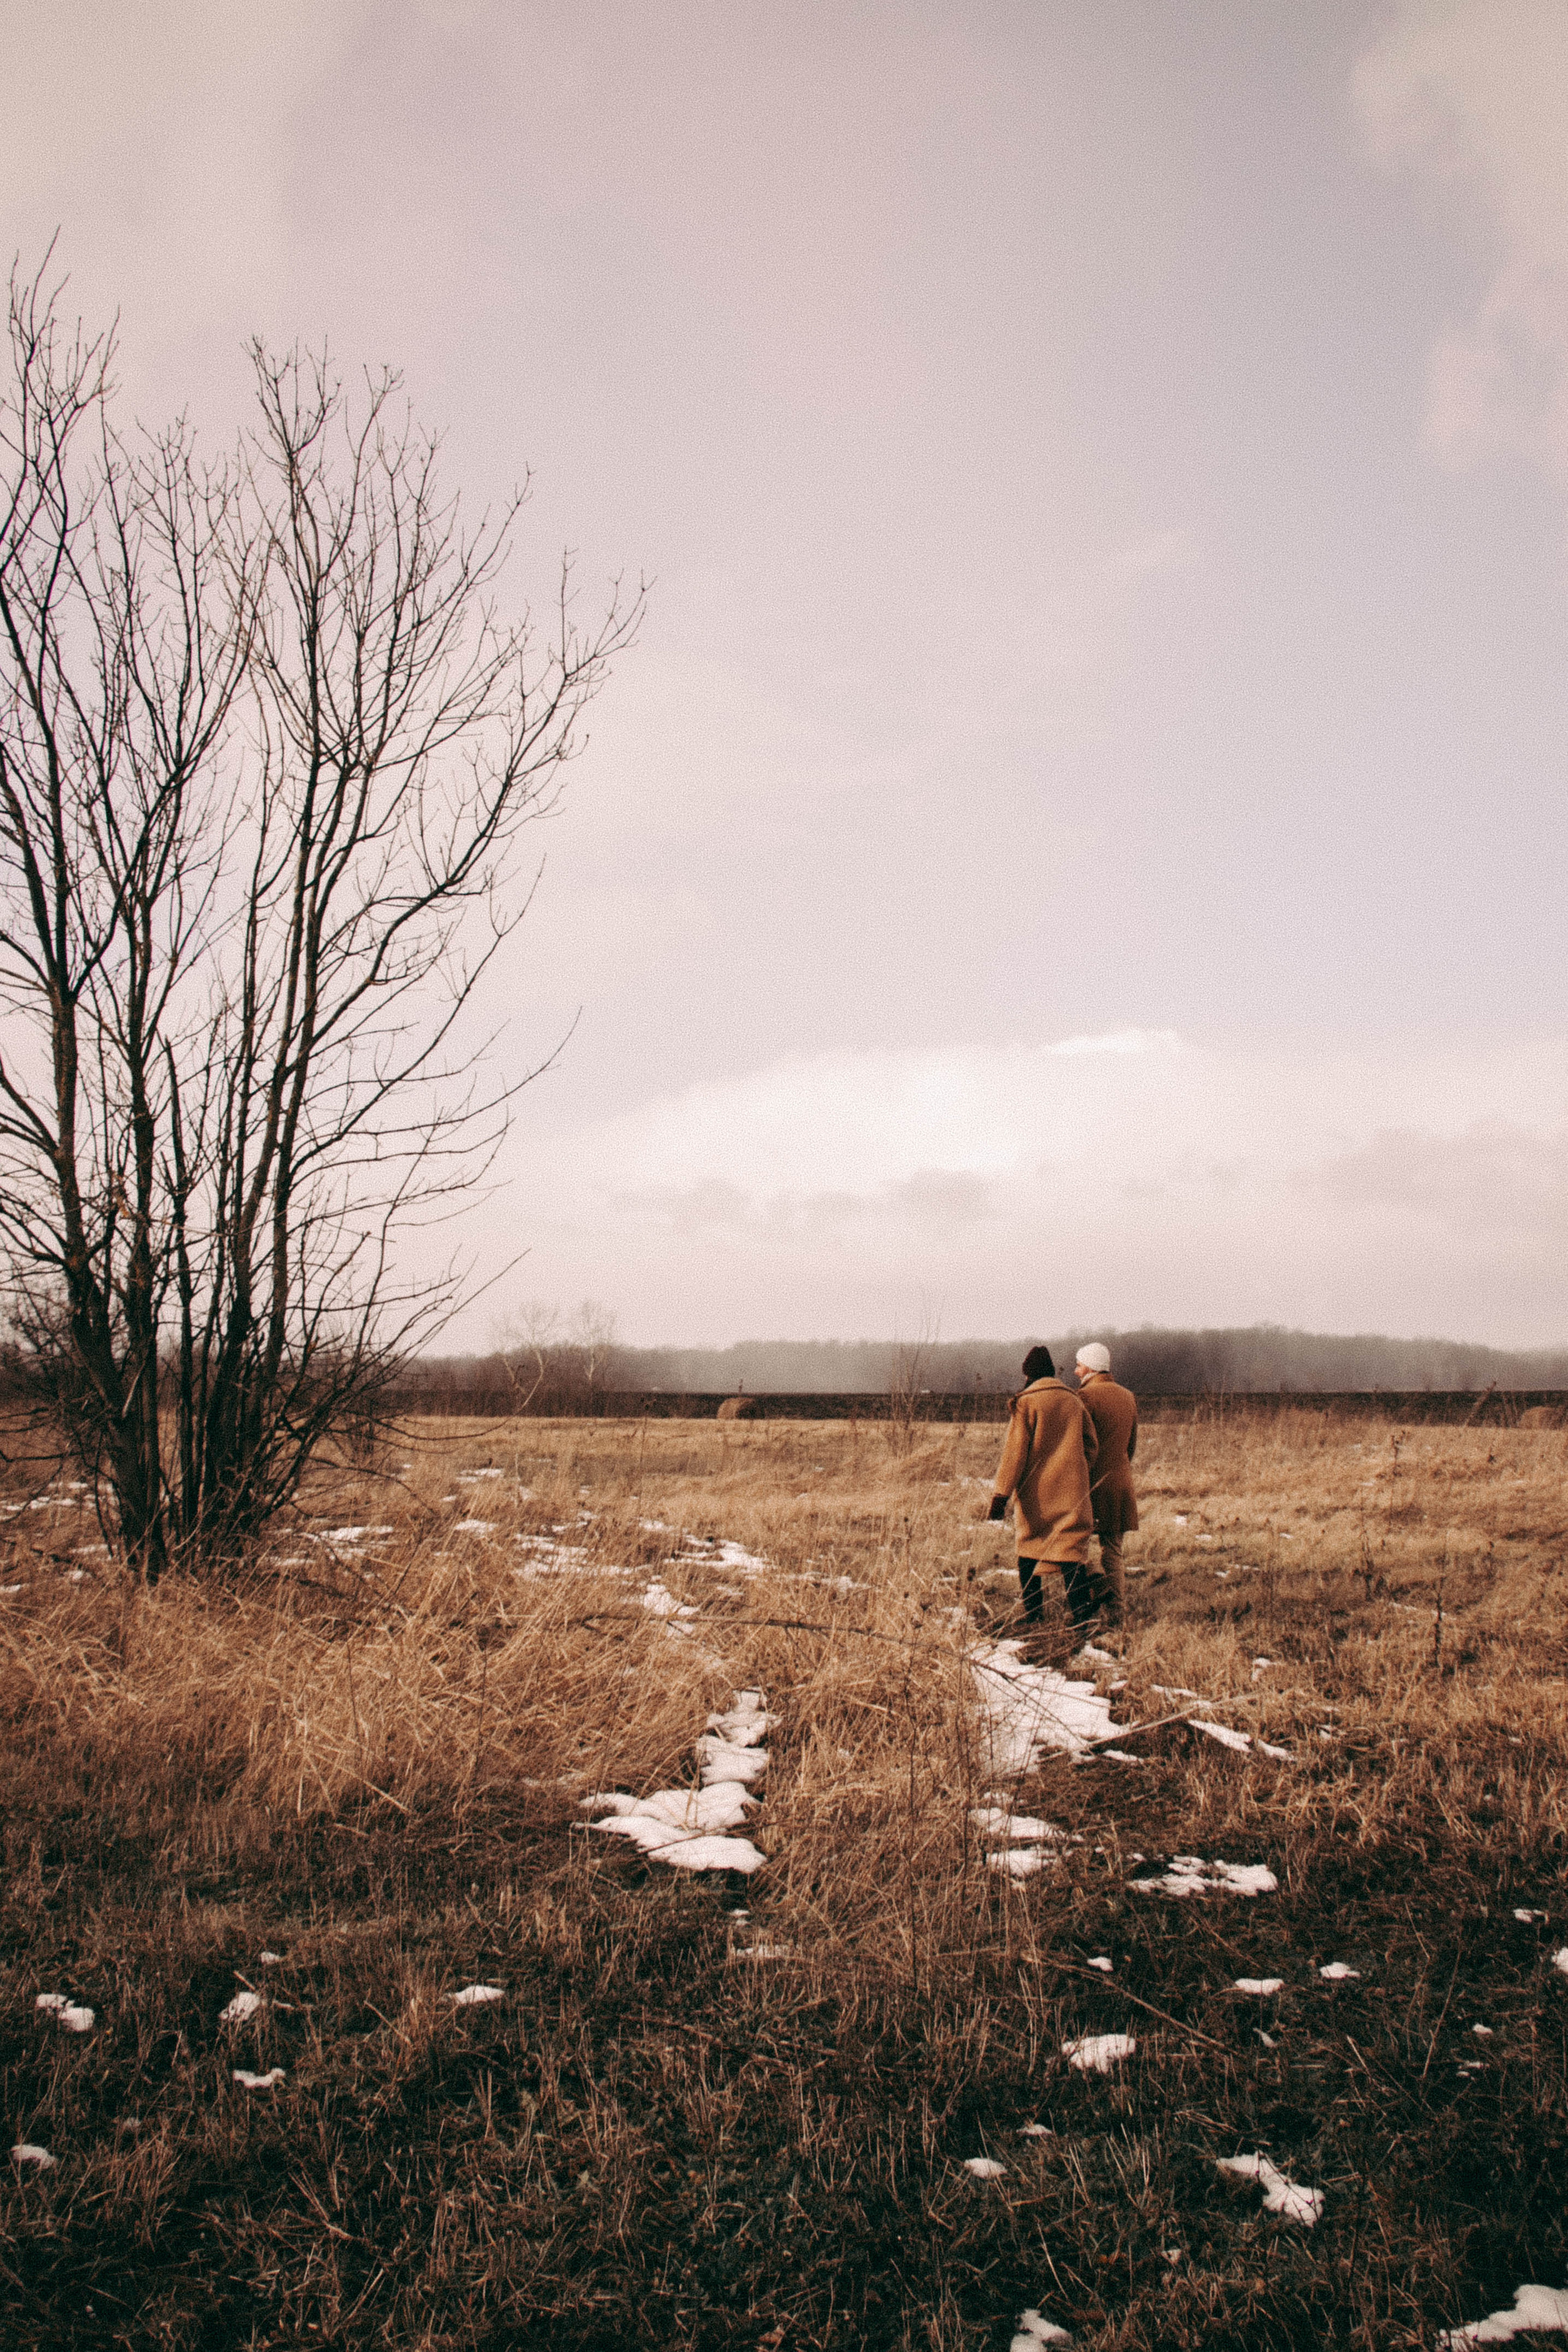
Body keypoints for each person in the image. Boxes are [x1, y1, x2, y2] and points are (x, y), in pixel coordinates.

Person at [987, 1343, 1099, 1632]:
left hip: (1037, 1494)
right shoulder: (1074, 1401)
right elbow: (1091, 1445)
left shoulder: (1026, 1402)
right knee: (1071, 1553)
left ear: (1028, 1375)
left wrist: (1001, 1495)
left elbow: (1015, 1454)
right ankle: (1083, 1617)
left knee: (1029, 1550)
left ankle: (1034, 1616)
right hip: (1072, 1491)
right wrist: (1079, 1469)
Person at [1073, 1341, 1138, 1628]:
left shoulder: (1085, 1398)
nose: (1076, 1371)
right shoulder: (1128, 1397)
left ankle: (1089, 1601)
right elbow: (1131, 1446)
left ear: (1090, 1366)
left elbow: (1080, 1447)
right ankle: (1117, 1615)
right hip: (1121, 1483)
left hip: (1092, 1484)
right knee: (1114, 1550)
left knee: (1077, 1546)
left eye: (1079, 1365)